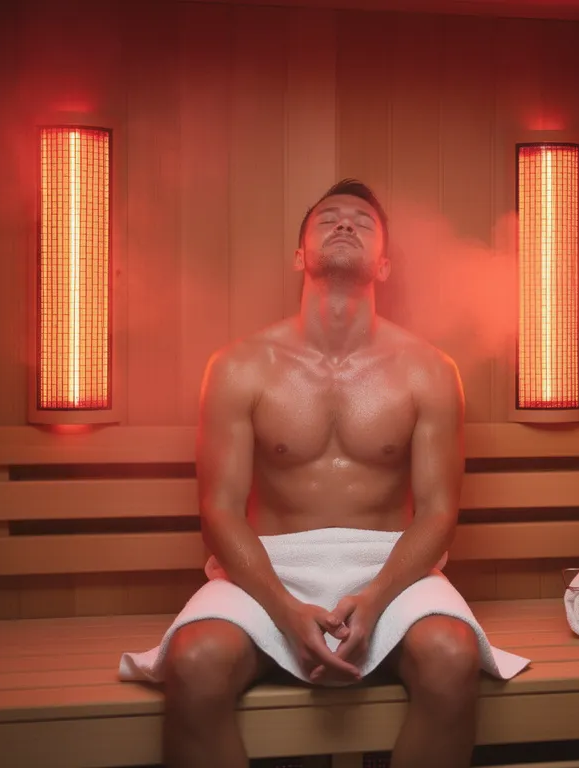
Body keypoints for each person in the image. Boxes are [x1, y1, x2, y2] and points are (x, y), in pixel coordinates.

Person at [162, 179, 481, 768]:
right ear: (299, 255)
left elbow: (439, 511)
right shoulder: (238, 366)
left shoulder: (430, 371)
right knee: (195, 661)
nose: (343, 224)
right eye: (326, 218)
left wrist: (378, 594)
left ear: (383, 264)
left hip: (391, 565)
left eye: (362, 220)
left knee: (452, 656)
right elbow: (220, 510)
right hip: (269, 565)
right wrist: (284, 606)